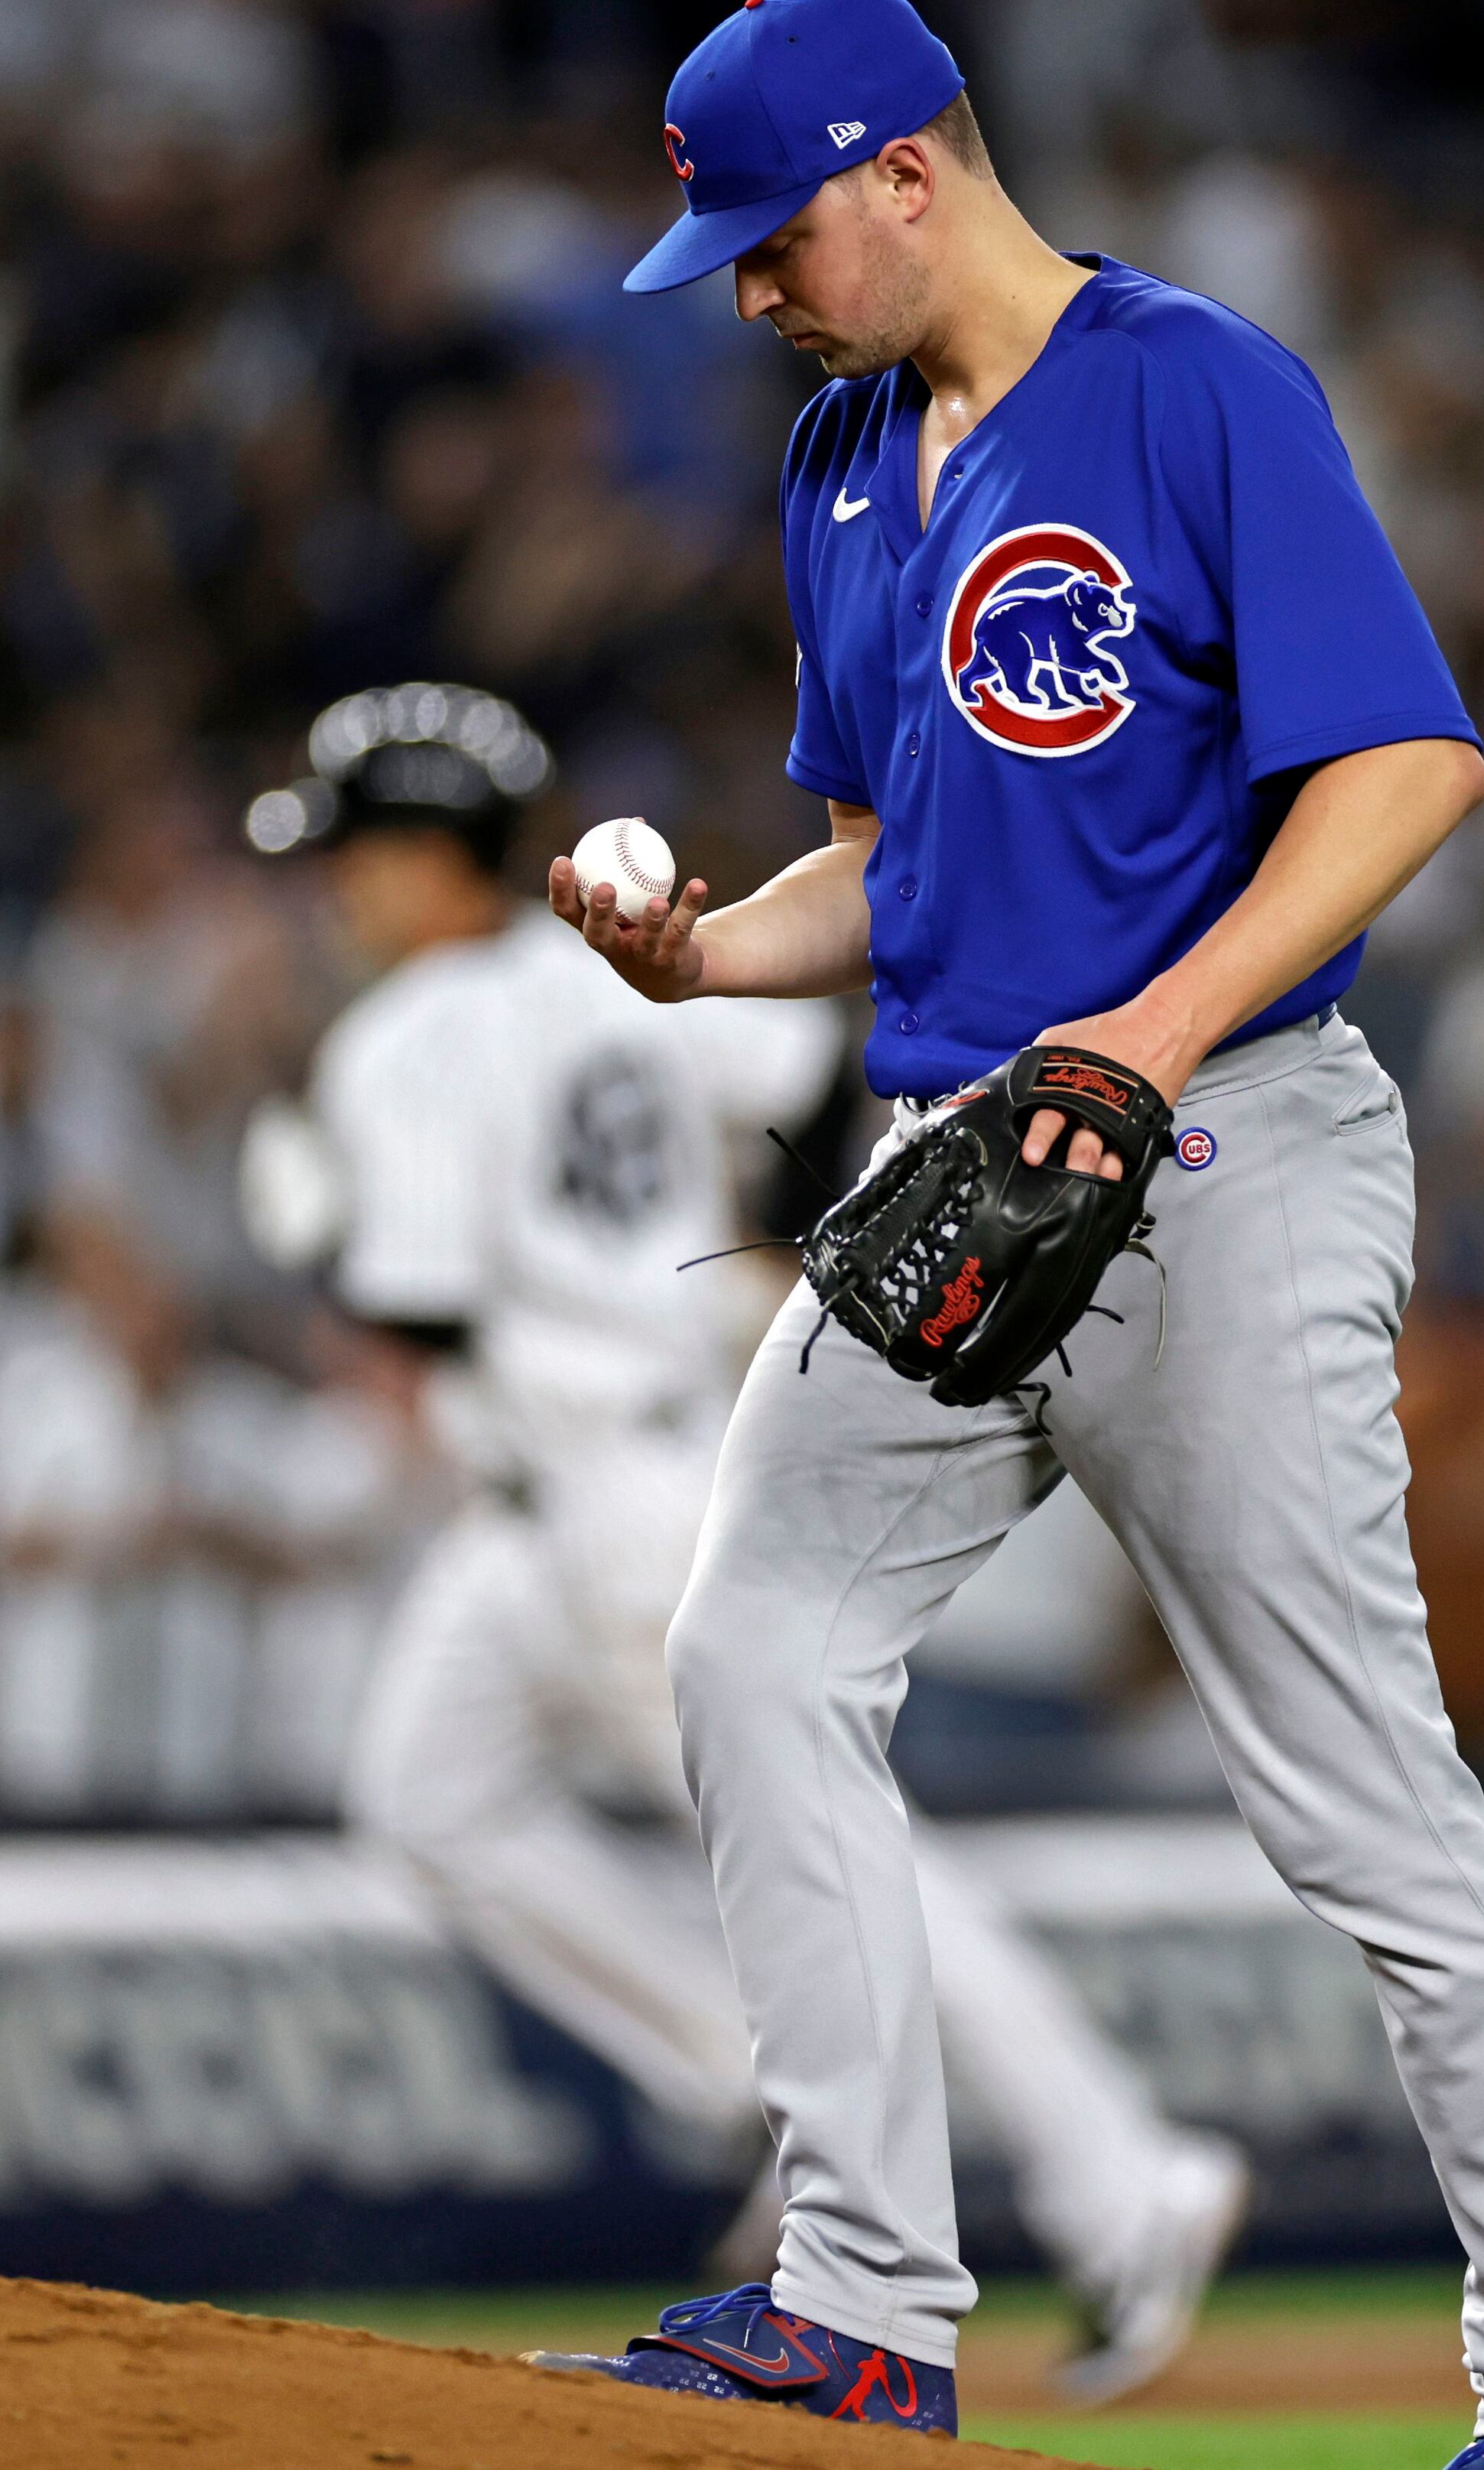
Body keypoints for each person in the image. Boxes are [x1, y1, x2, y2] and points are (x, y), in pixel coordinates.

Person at [528, 0, 1484, 2465]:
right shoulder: (839, 457)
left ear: (912, 166)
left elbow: (1406, 765)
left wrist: (1150, 1040)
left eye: (769, 229)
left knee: (1354, 1789)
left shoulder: (1192, 390)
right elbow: (884, 860)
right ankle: (856, 2297)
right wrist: (704, 950)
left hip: (1225, 1146)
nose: (744, 286)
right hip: (957, 1164)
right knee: (748, 1648)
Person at [260, 680, 1247, 2402]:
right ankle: (749, 2082)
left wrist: (317, 1228)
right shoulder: (604, 972)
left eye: (355, 849)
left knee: (843, 1853)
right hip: (582, 1487)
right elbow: (797, 1070)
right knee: (428, 1794)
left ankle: (1124, 2173)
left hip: (602, 1496)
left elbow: (413, 1311)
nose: (334, 887)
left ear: (431, 855)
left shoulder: (401, 1034)